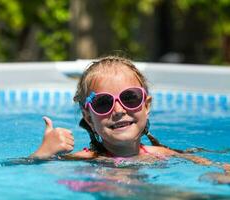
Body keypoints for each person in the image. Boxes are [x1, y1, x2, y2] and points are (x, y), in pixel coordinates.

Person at [28, 56, 230, 180]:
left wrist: (221, 172)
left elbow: (208, 164)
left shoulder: (160, 153)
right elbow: (19, 168)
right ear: (89, 118)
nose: (118, 110)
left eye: (130, 98)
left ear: (146, 106)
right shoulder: (87, 159)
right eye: (103, 103)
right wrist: (43, 153)